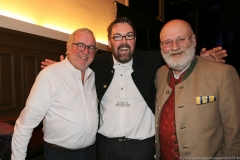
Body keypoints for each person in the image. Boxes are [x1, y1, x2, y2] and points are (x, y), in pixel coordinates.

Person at [41, 17, 228, 160]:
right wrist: (63, 69)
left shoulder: (153, 60)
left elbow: (177, 54)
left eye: (129, 36)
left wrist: (200, 59)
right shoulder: (96, 65)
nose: (123, 41)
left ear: (135, 39)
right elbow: (76, 67)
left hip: (142, 148)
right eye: (117, 37)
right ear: (109, 41)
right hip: (105, 147)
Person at [155, 19, 240, 159]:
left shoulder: (223, 74)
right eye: (167, 42)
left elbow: (235, 134)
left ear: (193, 40)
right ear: (161, 46)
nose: (174, 47)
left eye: (181, 39)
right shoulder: (160, 74)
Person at [11, 28, 99, 160]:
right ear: (68, 48)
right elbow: (25, 124)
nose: (86, 51)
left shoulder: (92, 76)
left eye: (91, 47)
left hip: (90, 154)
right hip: (60, 155)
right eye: (80, 45)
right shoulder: (50, 75)